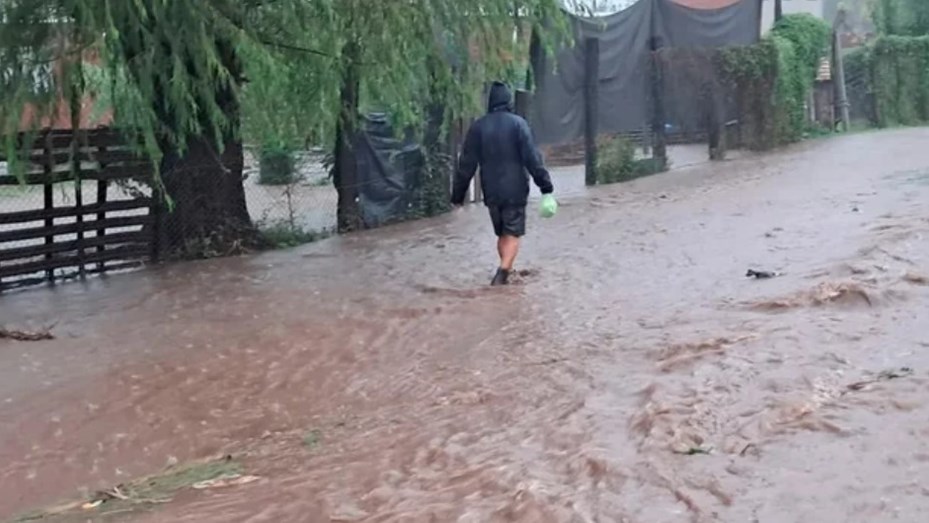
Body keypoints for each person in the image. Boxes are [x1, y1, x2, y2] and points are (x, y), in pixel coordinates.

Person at [451, 81, 555, 286]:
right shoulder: (518, 124)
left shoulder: (478, 127)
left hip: (491, 192)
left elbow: (466, 164)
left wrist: (457, 195)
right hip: (515, 189)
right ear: (509, 101)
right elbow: (532, 158)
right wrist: (546, 186)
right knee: (513, 232)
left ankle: (507, 269)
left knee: (502, 233)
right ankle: (503, 272)